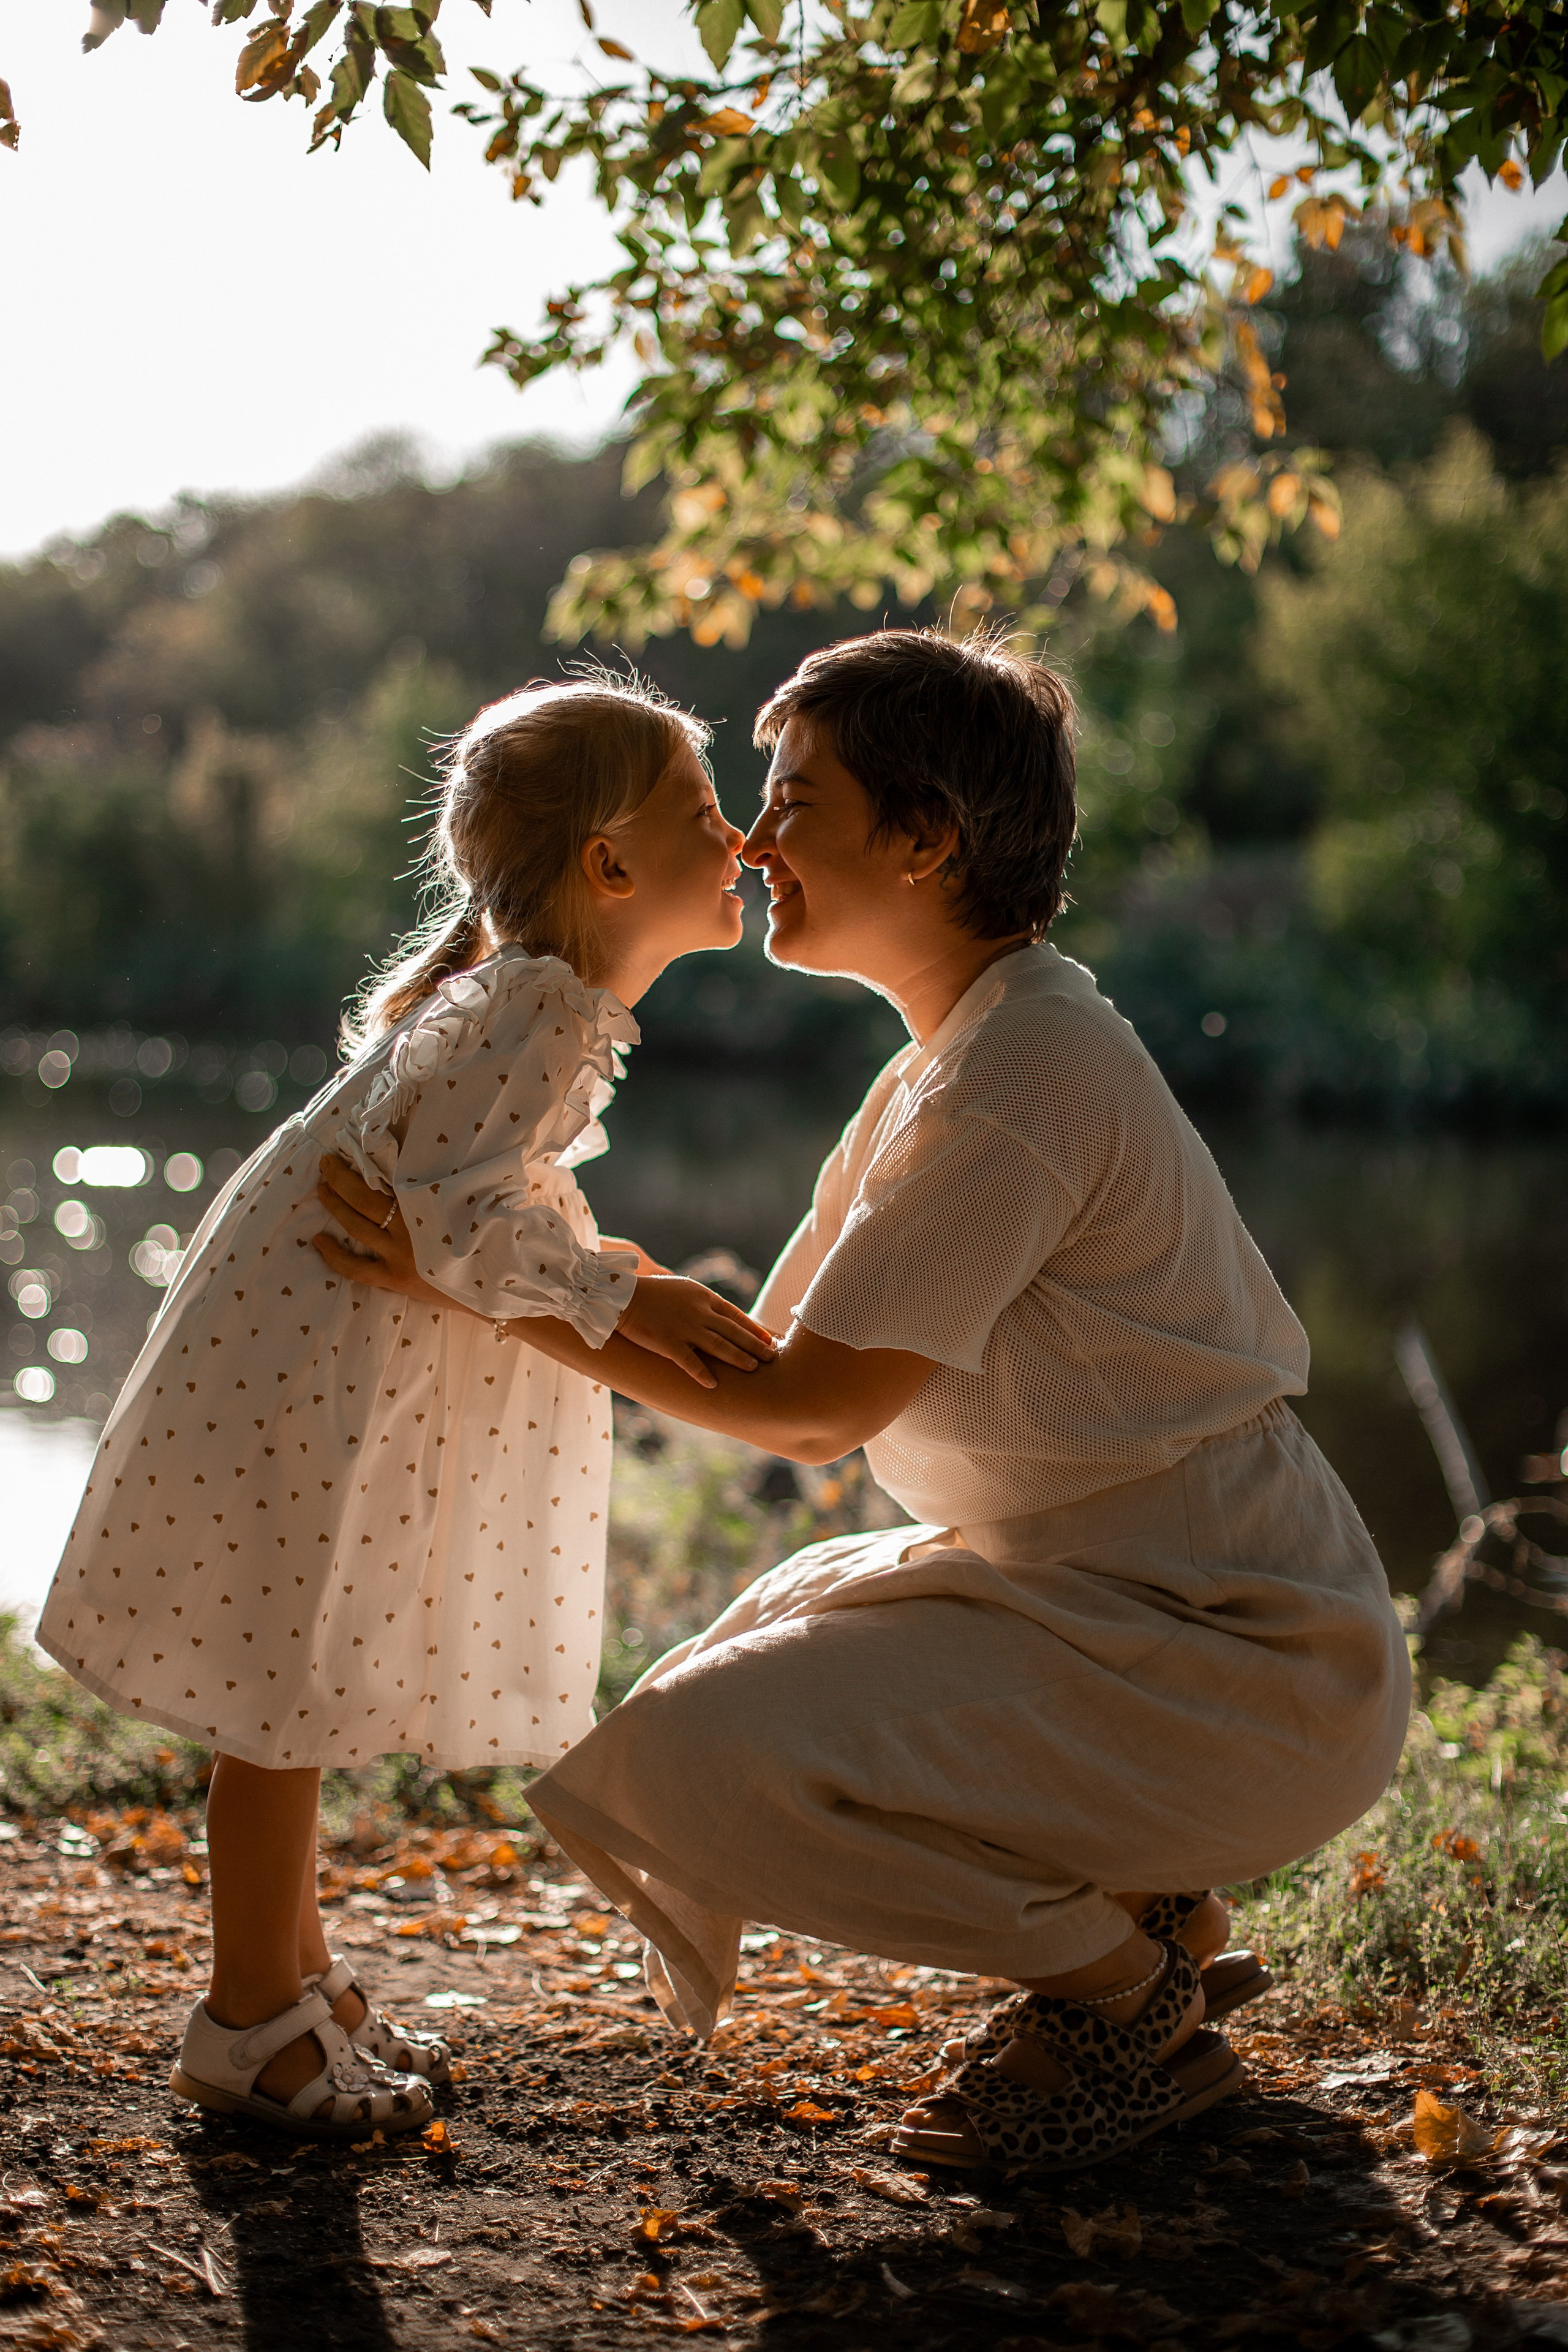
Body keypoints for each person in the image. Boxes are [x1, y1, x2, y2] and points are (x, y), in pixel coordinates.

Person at [315, 628, 1411, 2176]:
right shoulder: (947, 1060)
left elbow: (808, 1414)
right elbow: (754, 1352)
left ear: (925, 839)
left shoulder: (1020, 1076)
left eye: (795, 800)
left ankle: (1122, 1996)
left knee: (705, 1758)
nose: (753, 843)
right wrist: (521, 1254)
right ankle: (1149, 1905)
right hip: (1114, 1605)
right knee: (727, 1663)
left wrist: (476, 1286)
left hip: (1242, 1657)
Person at [36, 672, 778, 2141]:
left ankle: (299, 1983)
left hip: (324, 1354)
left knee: (292, 1683)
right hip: (328, 1372)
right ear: (608, 865)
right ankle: (248, 2021)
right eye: (704, 813)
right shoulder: (537, 1010)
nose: (742, 840)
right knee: (280, 1700)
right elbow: (465, 1222)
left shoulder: (523, 999)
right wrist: (626, 1299)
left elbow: (468, 1203)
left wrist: (600, 1265)